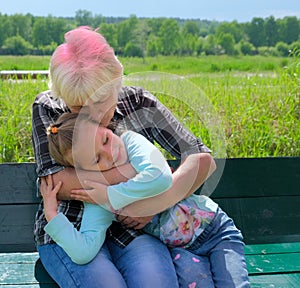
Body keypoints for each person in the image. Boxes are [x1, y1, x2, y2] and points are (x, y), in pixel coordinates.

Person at [32, 26, 249, 287]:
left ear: (117, 81)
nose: (92, 117)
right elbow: (58, 182)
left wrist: (156, 202)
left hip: (135, 232)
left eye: (101, 103)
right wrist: (144, 173)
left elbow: (201, 159)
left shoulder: (138, 102)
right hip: (75, 228)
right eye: (78, 107)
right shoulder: (47, 107)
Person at [42, 112, 250, 288]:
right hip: (181, 249)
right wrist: (53, 217)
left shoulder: (131, 142)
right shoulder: (97, 198)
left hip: (216, 231)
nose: (110, 153)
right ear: (84, 171)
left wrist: (110, 196)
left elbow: (160, 177)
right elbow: (84, 252)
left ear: (107, 127)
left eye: (105, 140)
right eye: (96, 159)